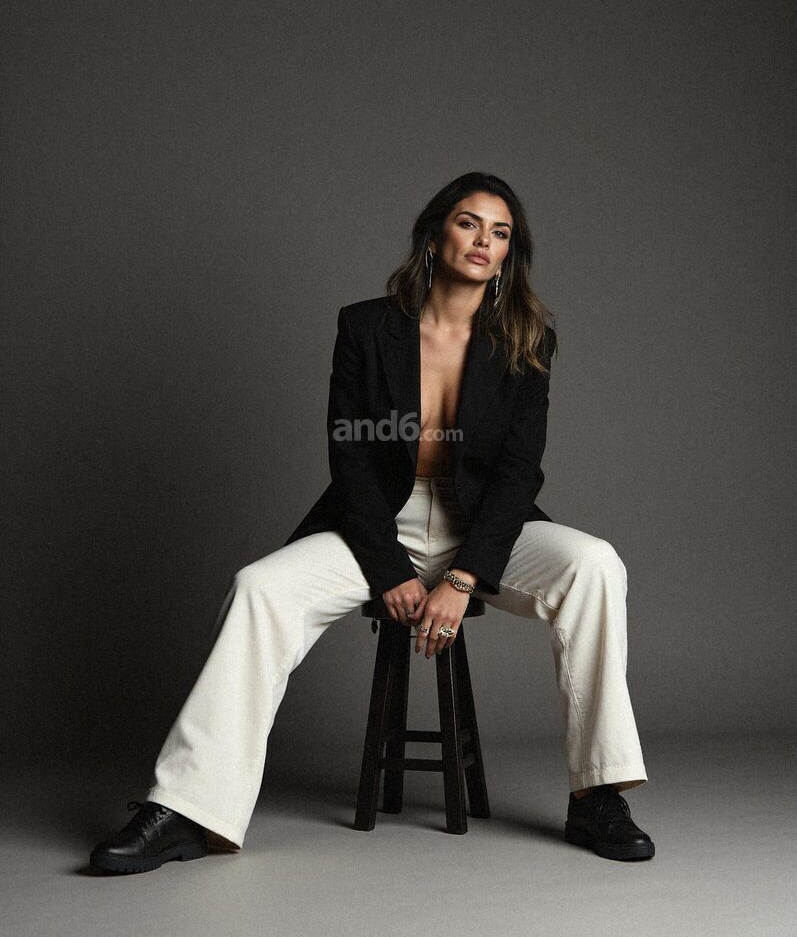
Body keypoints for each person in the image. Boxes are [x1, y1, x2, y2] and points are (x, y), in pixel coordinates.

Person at [90, 171, 654, 873]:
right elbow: (351, 458)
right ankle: (185, 809)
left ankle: (597, 796)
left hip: (481, 528)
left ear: (510, 253)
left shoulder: (527, 339)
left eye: (500, 232)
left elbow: (517, 474)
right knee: (257, 590)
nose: (483, 240)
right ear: (435, 234)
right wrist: (388, 569)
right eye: (469, 223)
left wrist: (463, 577)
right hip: (380, 522)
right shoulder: (365, 327)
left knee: (595, 564)